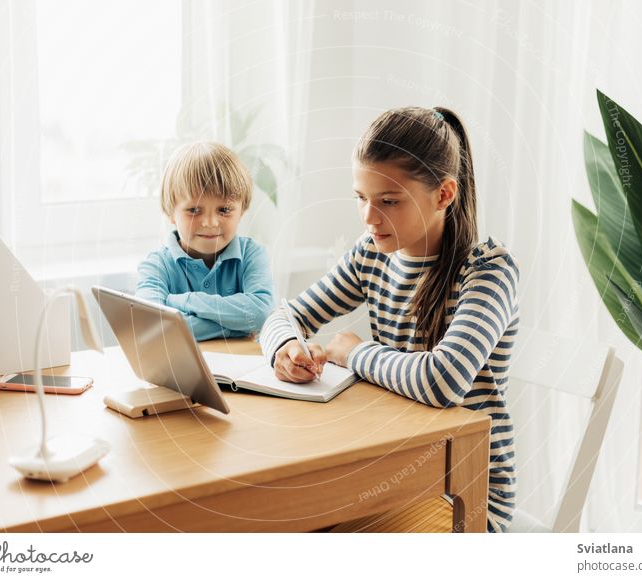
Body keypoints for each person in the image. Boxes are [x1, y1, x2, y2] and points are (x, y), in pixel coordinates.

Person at [260, 107, 518, 533]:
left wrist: (354, 352)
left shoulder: (488, 270)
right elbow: (286, 314)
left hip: (464, 495)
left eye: (389, 201)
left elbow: (443, 380)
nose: (368, 217)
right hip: (391, 470)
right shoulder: (371, 255)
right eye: (361, 198)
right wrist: (285, 348)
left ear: (444, 195)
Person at [137, 141, 274, 340]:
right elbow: (153, 326)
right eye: (193, 210)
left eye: (224, 210)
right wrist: (236, 328)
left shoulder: (252, 254)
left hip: (242, 367)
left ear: (241, 211)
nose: (210, 223)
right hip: (180, 370)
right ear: (171, 213)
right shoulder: (156, 265)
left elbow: (261, 313)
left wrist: (185, 301)